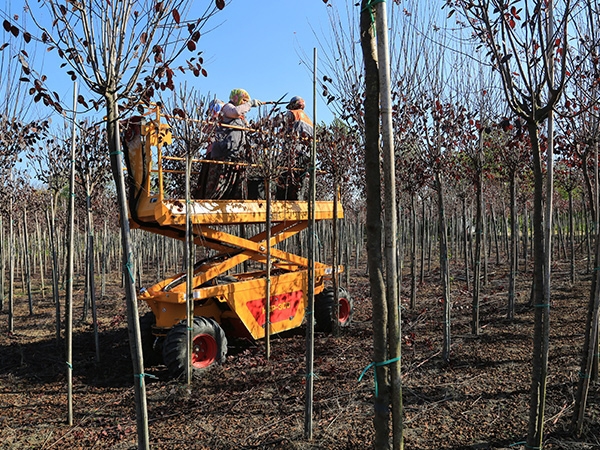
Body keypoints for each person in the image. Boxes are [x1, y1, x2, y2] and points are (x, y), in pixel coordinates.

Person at [202, 89, 262, 199]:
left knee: (236, 188)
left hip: (237, 155)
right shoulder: (227, 107)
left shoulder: (241, 118)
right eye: (243, 100)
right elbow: (236, 112)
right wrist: (250, 104)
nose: (244, 103)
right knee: (219, 185)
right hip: (224, 155)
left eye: (246, 101)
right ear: (236, 98)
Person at [275, 96, 313, 200]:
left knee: (283, 181)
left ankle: (281, 205)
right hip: (306, 156)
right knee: (299, 184)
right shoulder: (309, 120)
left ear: (294, 105)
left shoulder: (292, 113)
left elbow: (278, 123)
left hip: (292, 153)